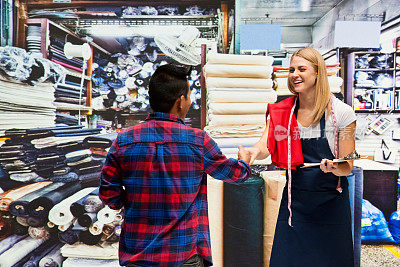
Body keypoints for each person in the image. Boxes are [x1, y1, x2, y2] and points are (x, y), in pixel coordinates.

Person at [99, 63, 252, 267]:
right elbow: (235, 174)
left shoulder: (124, 141)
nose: (190, 101)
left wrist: (137, 200)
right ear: (180, 101)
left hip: (138, 254)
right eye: (189, 96)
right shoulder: (198, 141)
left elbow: (110, 196)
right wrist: (244, 161)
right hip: (183, 255)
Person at [247, 47, 356, 266]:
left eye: (302, 69)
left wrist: (334, 167)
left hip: (331, 206)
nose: (294, 74)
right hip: (295, 204)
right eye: (291, 69)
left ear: (317, 73)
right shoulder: (284, 112)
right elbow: (266, 144)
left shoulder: (342, 113)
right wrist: (252, 153)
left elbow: (348, 165)